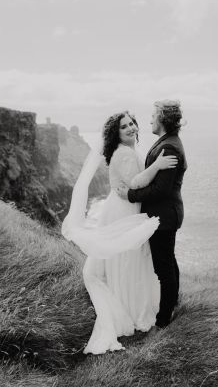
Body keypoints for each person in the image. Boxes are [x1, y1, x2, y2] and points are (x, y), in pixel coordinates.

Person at [62, 110, 177, 354]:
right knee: (130, 259)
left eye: (133, 124)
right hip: (125, 209)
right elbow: (136, 183)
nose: (132, 128)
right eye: (125, 127)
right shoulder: (124, 153)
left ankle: (134, 304)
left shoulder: (127, 150)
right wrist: (157, 165)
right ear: (116, 133)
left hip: (123, 206)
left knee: (129, 259)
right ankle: (132, 309)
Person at [117, 100, 187, 328]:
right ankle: (173, 303)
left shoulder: (170, 147)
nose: (149, 120)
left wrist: (130, 195)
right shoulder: (167, 143)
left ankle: (164, 319)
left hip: (164, 216)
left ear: (163, 119)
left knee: (163, 267)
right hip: (165, 215)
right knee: (168, 261)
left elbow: (161, 190)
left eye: (153, 115)